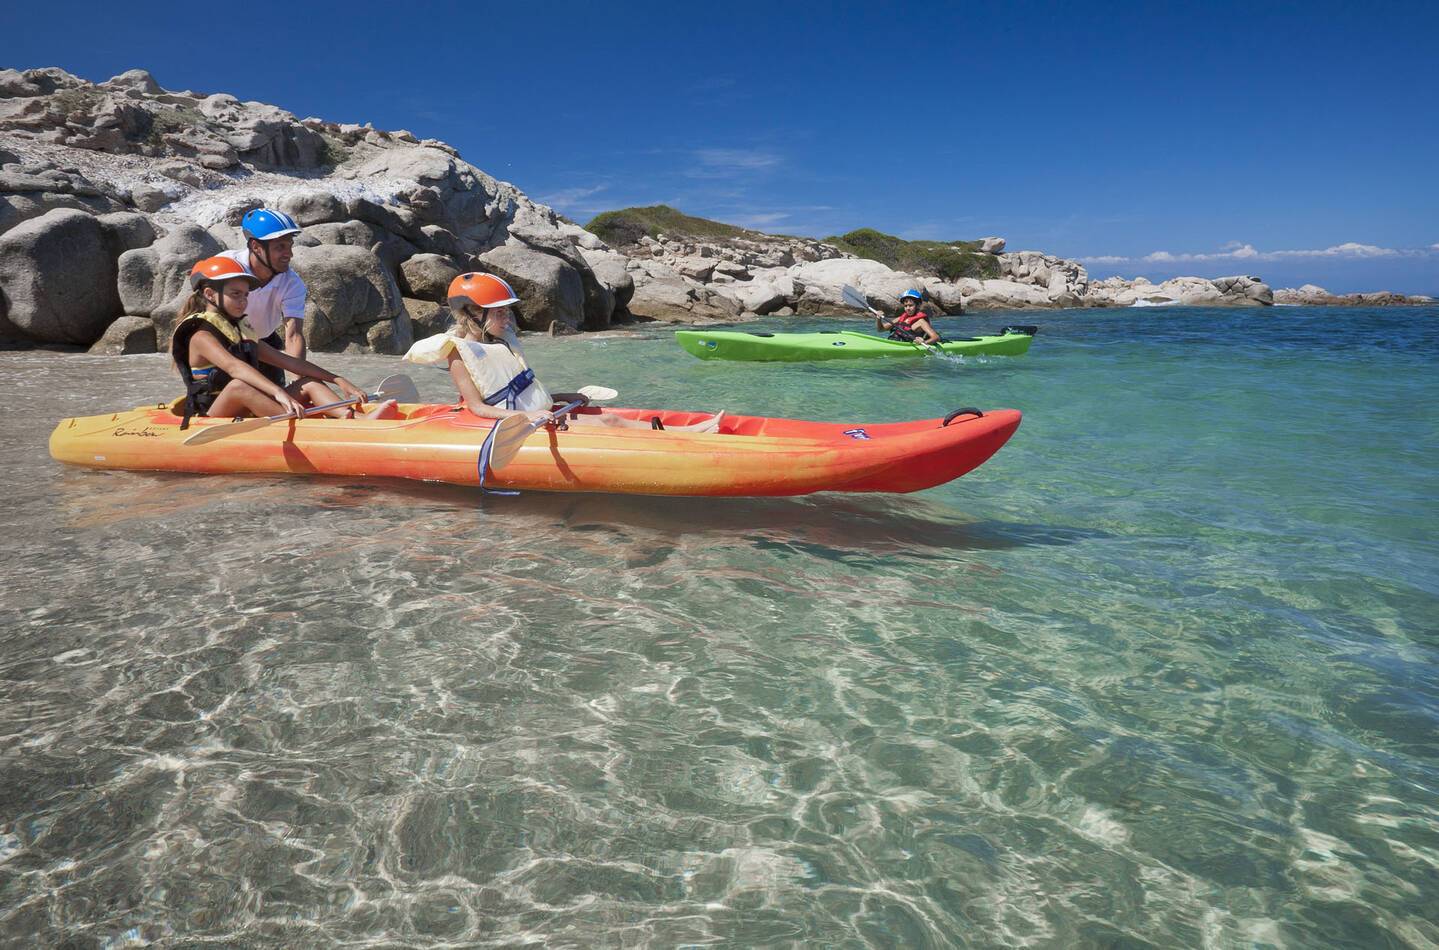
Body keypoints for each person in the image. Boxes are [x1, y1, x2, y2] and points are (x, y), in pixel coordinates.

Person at [403, 273, 723, 432]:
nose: (508, 318)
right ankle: (688, 434)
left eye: (507, 312)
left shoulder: (501, 344)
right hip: (512, 427)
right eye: (498, 312)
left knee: (603, 415)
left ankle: (677, 431)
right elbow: (479, 408)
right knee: (610, 419)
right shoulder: (458, 352)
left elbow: (518, 393)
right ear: (472, 313)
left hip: (540, 417)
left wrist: (562, 396)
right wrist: (527, 416)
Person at [171, 256, 396, 428]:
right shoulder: (200, 334)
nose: (243, 301)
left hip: (245, 407)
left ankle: (358, 419)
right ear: (210, 294)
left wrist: (338, 379)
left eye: (246, 295)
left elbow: (285, 361)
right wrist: (278, 392)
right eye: (236, 294)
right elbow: (234, 367)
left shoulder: (238, 329)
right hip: (211, 415)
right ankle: (312, 428)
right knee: (239, 386)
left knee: (309, 382)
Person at [217, 208, 307, 387]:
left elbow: (293, 335)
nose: (289, 254)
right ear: (256, 247)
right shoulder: (226, 267)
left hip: (266, 346)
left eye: (290, 246)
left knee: (287, 393)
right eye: (280, 247)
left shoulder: (292, 283)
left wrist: (298, 383)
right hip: (224, 346)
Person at [875, 289, 942, 345]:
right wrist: (878, 319)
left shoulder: (921, 322)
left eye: (911, 305)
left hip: (909, 347)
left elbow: (936, 337)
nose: (908, 308)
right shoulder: (900, 318)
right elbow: (880, 329)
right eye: (905, 306)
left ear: (918, 305)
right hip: (897, 344)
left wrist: (924, 342)